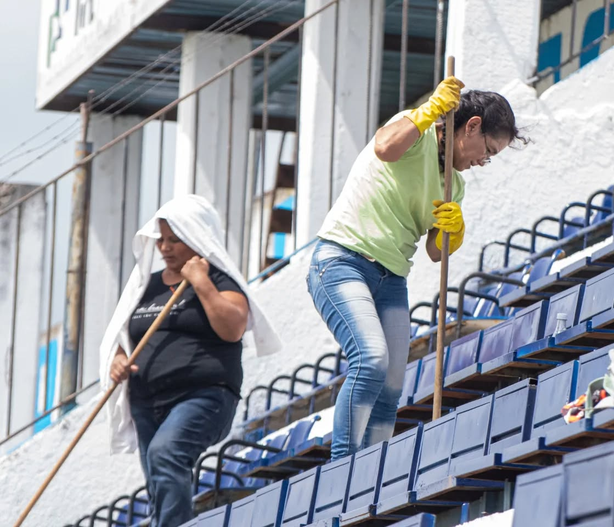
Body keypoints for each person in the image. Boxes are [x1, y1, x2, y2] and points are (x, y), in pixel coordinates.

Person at [307, 76, 526, 460]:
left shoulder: (453, 185)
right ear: (471, 126)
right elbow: (385, 147)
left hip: (391, 278)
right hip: (342, 259)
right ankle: (342, 468)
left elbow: (434, 252)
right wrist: (428, 111)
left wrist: (452, 233)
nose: (483, 161)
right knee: (371, 359)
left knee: (391, 386)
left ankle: (370, 477)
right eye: (487, 150)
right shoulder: (417, 130)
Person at [99, 195, 281, 527]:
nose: (165, 248)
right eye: (161, 240)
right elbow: (123, 336)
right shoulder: (145, 287)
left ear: (196, 236)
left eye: (175, 239)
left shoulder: (221, 280)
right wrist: (118, 359)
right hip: (146, 400)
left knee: (165, 455)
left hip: (203, 395)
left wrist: (201, 282)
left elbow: (232, 328)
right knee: (158, 477)